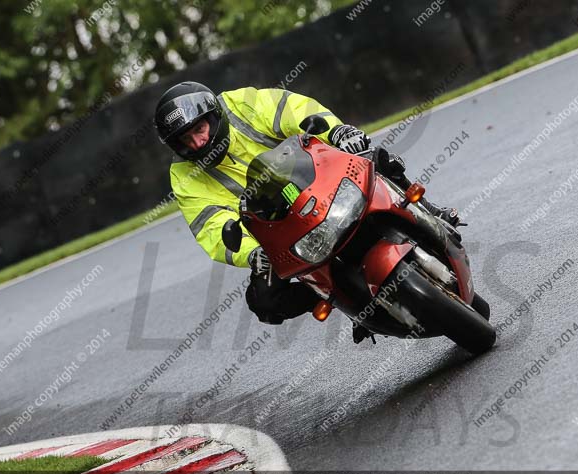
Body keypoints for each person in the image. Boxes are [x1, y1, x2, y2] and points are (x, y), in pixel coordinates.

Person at [153, 81, 459, 326]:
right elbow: (212, 226)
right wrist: (254, 253)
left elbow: (295, 110)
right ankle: (343, 296)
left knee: (377, 158)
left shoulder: (241, 104)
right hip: (279, 230)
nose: (197, 143)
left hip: (321, 178)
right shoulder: (184, 177)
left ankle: (430, 212)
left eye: (198, 130)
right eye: (185, 140)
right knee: (264, 301)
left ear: (213, 116)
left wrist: (336, 131)